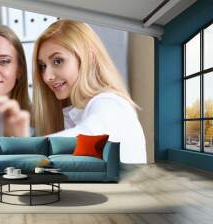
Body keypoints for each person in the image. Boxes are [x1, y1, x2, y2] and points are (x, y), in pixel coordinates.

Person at [32, 20, 146, 164]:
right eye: (42, 66)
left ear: (88, 57)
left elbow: (91, 135)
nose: (47, 76)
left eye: (58, 61)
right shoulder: (75, 113)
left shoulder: (109, 103)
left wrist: (17, 149)